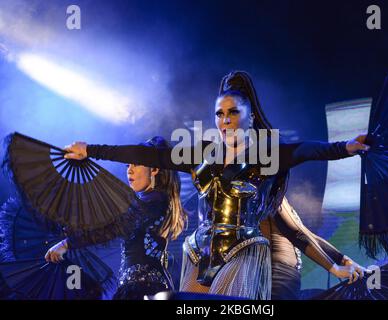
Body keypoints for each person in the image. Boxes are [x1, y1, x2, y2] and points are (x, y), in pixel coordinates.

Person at [62, 71, 369, 299]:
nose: (225, 120)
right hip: (200, 251)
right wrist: (92, 150)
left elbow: (306, 151)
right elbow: (148, 154)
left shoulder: (267, 156)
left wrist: (345, 147)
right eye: (220, 114)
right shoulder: (200, 156)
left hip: (244, 250)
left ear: (250, 117)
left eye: (233, 112)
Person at [45, 136, 186, 300]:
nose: (129, 170)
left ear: (154, 169)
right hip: (141, 287)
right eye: (128, 164)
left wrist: (68, 243)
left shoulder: (155, 201)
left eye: (136, 163)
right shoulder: (148, 202)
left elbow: (113, 227)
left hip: (144, 290)